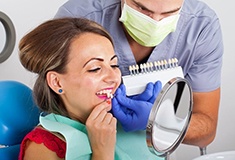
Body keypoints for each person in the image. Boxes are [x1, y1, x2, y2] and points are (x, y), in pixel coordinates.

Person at [54, 0, 224, 148]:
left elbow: (206, 132)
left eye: (170, 13)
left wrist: (160, 121)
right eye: (143, 9)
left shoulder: (201, 26)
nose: (155, 22)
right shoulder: (79, 17)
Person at [18, 17, 162, 160]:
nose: (113, 77)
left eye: (114, 65)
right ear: (57, 83)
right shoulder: (42, 148)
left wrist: (159, 125)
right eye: (95, 69)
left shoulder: (126, 123)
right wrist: (102, 152)